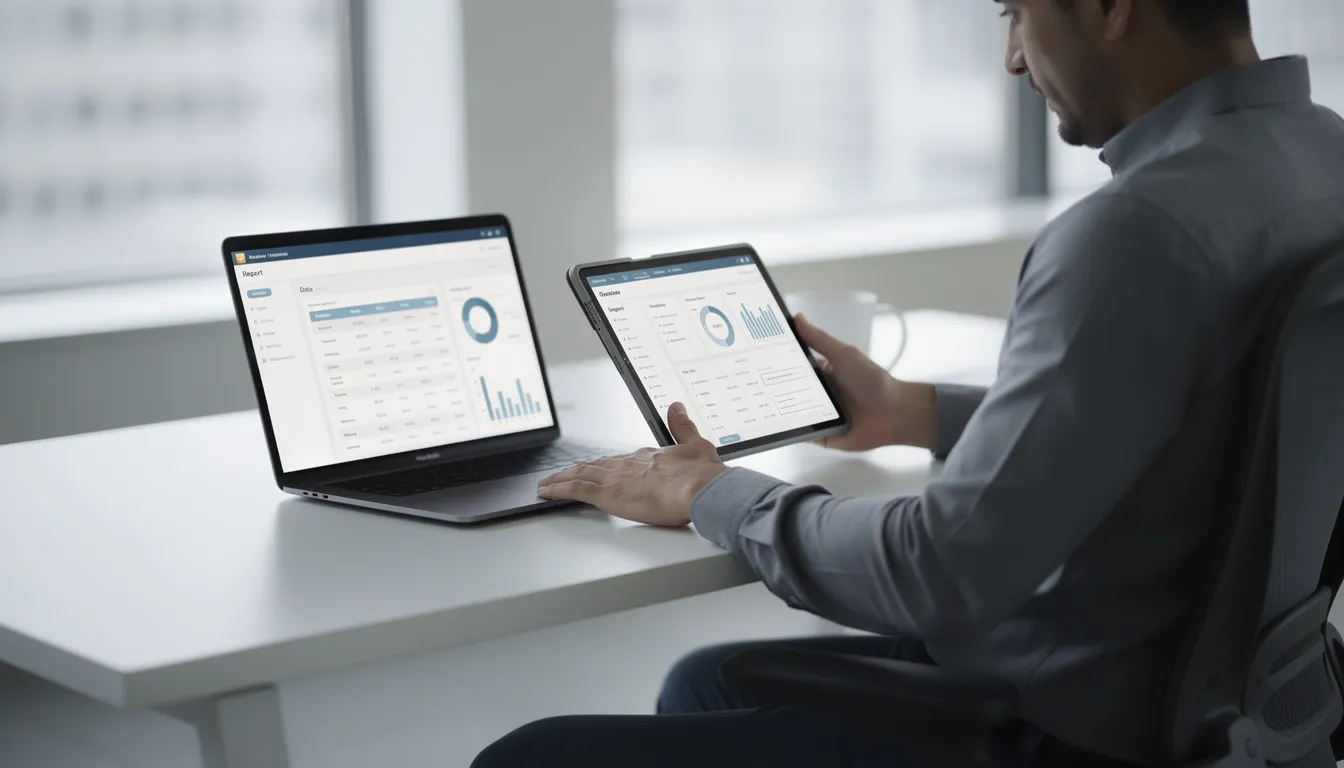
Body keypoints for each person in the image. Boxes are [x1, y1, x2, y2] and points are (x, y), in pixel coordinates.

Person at [474, 0, 1344, 766]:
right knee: (705, 680)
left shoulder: (1134, 231)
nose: (1012, 57)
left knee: (527, 756)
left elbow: (939, 572)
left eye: (1015, 13)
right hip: (1235, 706)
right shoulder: (1321, 159)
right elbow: (1200, 419)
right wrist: (910, 412)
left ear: (1112, 6)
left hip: (1067, 733)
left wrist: (712, 494)